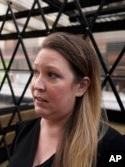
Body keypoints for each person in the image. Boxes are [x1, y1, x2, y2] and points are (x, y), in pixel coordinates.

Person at [9, 32, 125, 167]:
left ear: (81, 86)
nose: (37, 85)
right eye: (36, 72)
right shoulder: (24, 131)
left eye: (51, 74)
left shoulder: (111, 147)